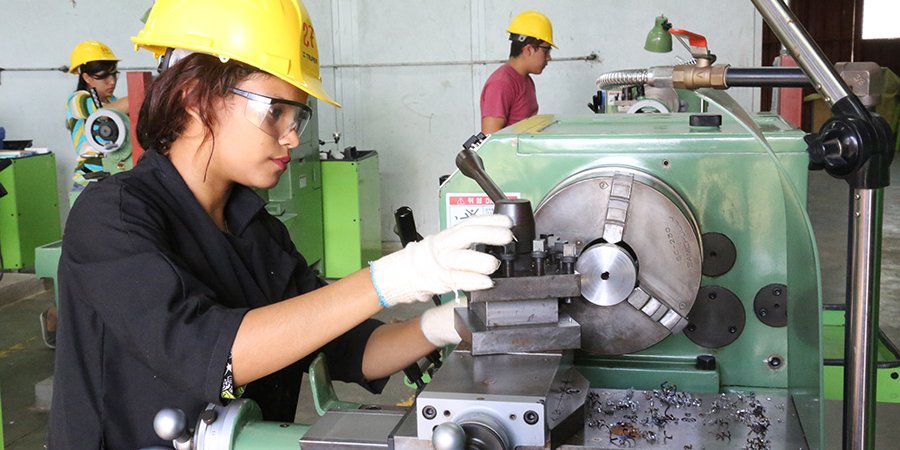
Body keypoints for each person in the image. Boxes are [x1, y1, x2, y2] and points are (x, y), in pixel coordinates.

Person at [48, 0, 513, 448]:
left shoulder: (257, 230)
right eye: (274, 111)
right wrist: (397, 274)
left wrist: (443, 325)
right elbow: (215, 357)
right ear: (194, 97)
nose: (291, 135)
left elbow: (348, 347)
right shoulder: (114, 215)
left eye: (297, 115)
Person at [39, 41, 133, 350]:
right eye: (104, 76)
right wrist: (147, 95)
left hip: (117, 182)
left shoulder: (116, 100)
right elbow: (102, 114)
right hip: (87, 187)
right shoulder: (78, 101)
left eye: (114, 75)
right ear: (85, 76)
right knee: (88, 262)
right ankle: (55, 315)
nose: (111, 82)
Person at [480, 10, 555, 134]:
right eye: (546, 51)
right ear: (529, 49)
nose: (548, 58)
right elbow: (490, 138)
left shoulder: (525, 80)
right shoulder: (501, 84)